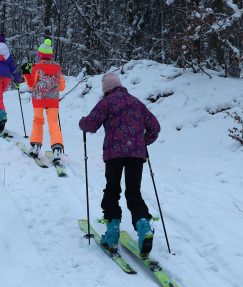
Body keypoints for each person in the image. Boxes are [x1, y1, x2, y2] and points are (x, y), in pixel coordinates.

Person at [79, 72, 161, 257]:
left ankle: (113, 229)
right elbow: (155, 127)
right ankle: (144, 226)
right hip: (136, 154)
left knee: (112, 190)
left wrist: (82, 123)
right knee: (133, 192)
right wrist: (143, 141)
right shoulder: (136, 103)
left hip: (114, 153)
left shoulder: (107, 102)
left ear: (106, 89)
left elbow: (91, 124)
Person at [22, 38, 65, 163]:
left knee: (38, 121)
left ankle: (35, 147)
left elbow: (31, 84)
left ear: (40, 54)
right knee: (53, 123)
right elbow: (61, 87)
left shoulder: (36, 67)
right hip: (53, 100)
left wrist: (26, 73)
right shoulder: (58, 68)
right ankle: (57, 149)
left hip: (39, 99)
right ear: (51, 55)